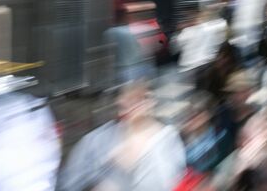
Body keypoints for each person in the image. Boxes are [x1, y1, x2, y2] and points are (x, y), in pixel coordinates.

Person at [59, 81, 187, 191]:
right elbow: (70, 182)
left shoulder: (167, 140)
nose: (129, 103)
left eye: (139, 98)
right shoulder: (98, 139)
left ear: (151, 100)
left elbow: (167, 183)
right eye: (126, 97)